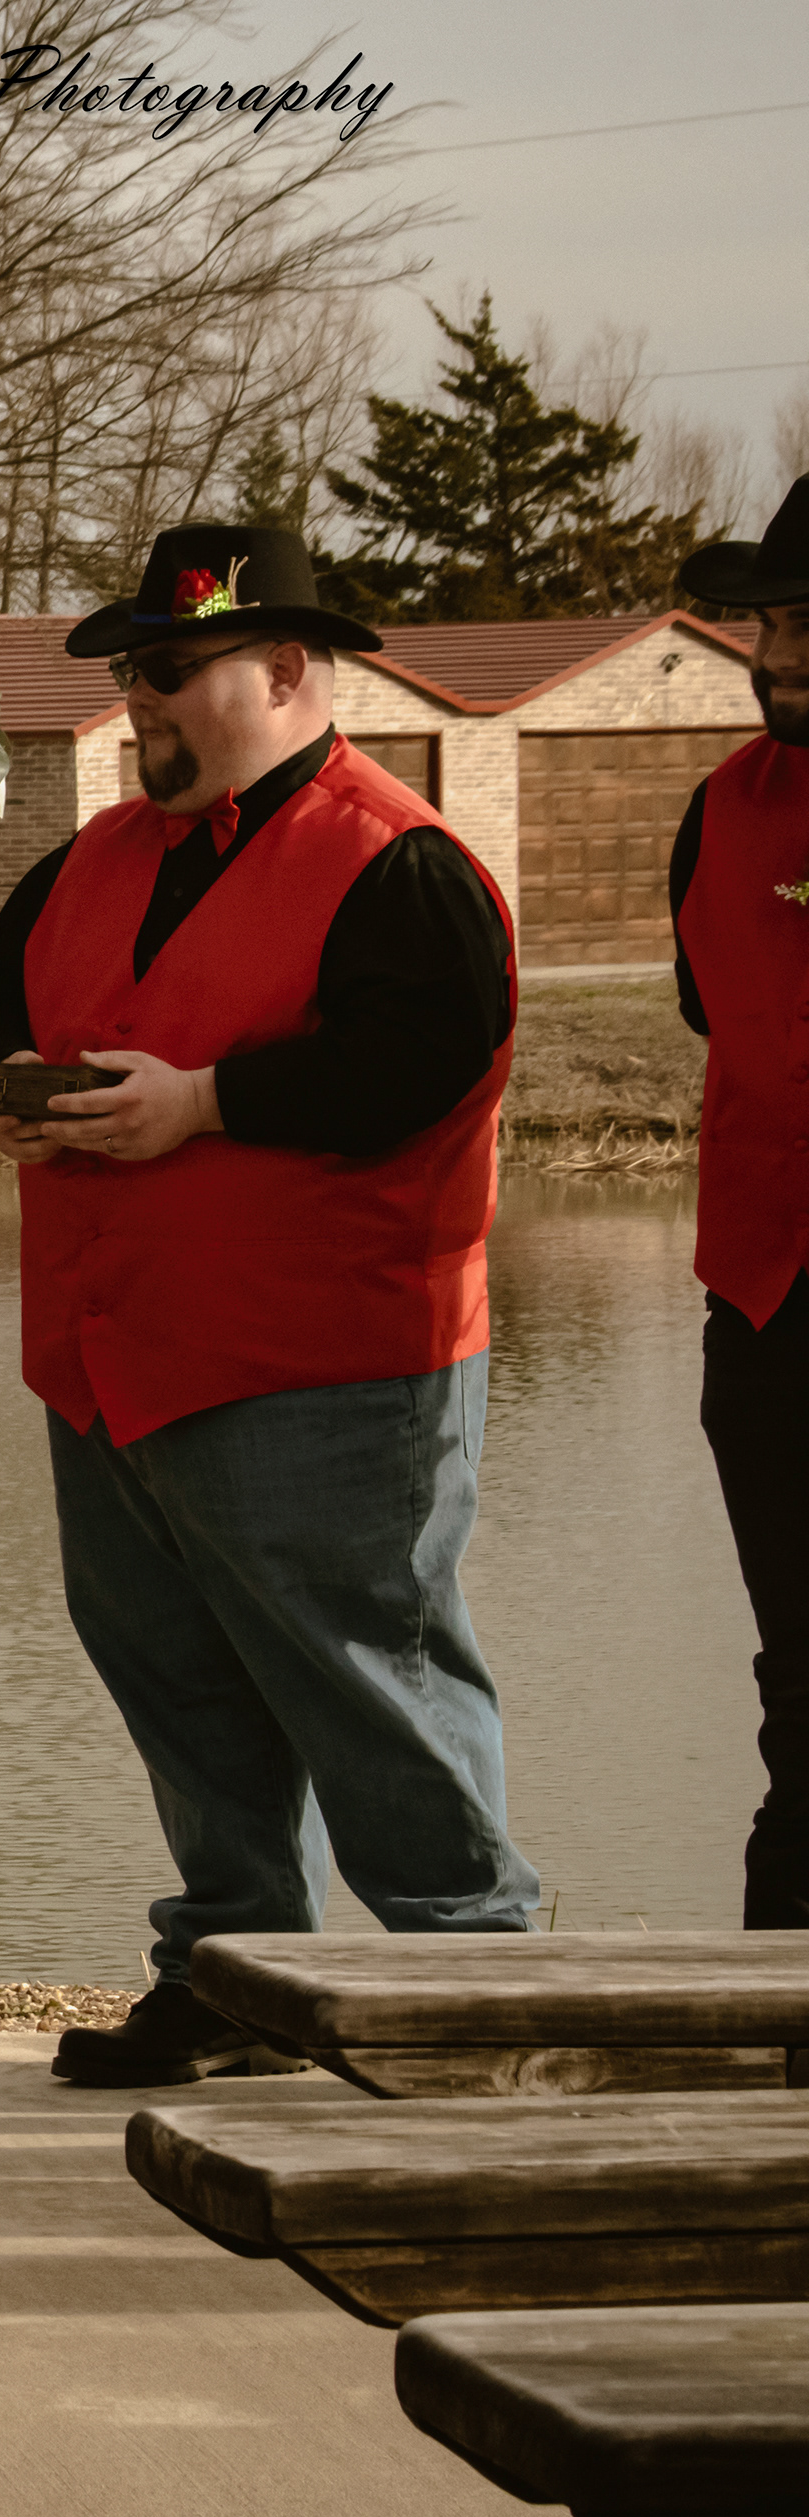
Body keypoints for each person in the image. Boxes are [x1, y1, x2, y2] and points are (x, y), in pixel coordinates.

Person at [0, 525, 541, 2089]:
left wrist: (207, 1102)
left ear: (283, 671)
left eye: (166, 668)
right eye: (130, 670)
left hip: (328, 1368)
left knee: (372, 1680)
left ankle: (476, 1993)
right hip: (109, 1360)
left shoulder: (399, 860)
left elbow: (423, 1065)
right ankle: (237, 1975)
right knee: (177, 1680)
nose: (138, 698)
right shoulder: (93, 857)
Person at [668, 476, 809, 1929]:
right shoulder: (721, 807)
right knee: (801, 1691)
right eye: (771, 623)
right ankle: (781, 2012)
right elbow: (717, 1009)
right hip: (768, 1313)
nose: (780, 655)